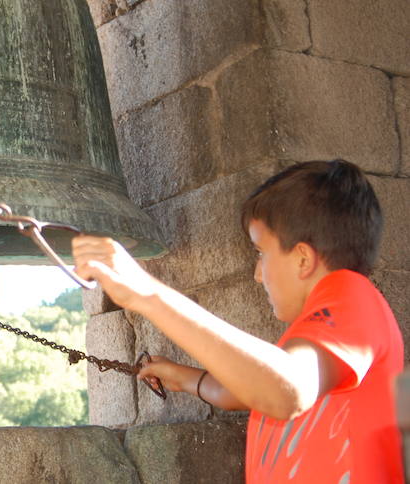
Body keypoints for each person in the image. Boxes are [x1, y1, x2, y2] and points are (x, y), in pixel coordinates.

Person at [72, 159, 404, 483]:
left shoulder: (352, 295)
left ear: (303, 258)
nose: (258, 275)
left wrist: (147, 294)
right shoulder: (318, 329)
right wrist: (187, 379)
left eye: (261, 253)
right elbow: (250, 390)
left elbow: (284, 390)